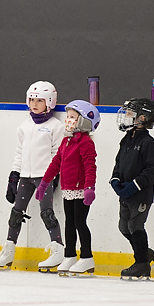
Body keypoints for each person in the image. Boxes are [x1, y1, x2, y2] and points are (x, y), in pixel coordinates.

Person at [0, 81, 65, 270]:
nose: (34, 104)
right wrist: (14, 175)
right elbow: (20, 152)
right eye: (32, 100)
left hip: (44, 177)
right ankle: (9, 250)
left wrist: (53, 175)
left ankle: (58, 249)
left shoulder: (55, 126)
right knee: (16, 212)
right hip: (26, 176)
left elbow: (58, 154)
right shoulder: (24, 126)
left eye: (39, 100)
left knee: (46, 212)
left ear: (49, 102)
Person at [36, 100, 99, 276]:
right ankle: (69, 255)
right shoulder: (66, 141)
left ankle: (86, 257)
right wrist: (44, 183)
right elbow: (56, 164)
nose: (68, 120)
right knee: (69, 223)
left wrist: (89, 187)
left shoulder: (85, 142)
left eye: (73, 117)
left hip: (81, 190)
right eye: (68, 116)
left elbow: (90, 166)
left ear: (83, 121)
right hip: (68, 189)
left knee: (80, 222)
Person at [112, 97, 154, 280]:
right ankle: (146, 254)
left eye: (130, 113)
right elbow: (118, 163)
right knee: (124, 227)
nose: (126, 116)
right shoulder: (126, 139)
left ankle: (141, 264)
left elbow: (150, 171)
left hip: (141, 195)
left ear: (142, 118)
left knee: (135, 225)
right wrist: (115, 180)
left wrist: (134, 186)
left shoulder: (148, 143)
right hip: (125, 194)